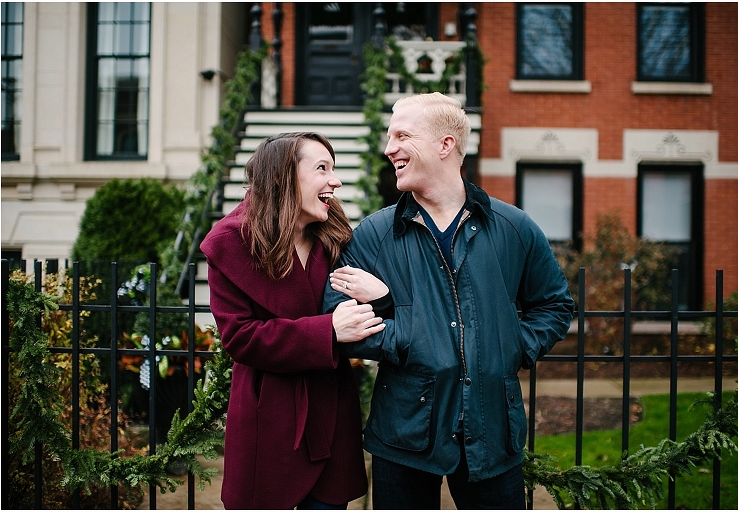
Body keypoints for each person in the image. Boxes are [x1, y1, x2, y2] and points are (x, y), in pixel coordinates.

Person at [324, 93, 575, 509]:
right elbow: (337, 314)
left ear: (446, 145)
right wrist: (405, 338)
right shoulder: (375, 235)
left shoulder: (514, 227)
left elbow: (554, 306)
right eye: (390, 137)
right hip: (404, 433)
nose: (389, 148)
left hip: (493, 433)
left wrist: (512, 347)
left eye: (403, 135)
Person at [200, 132, 389, 509]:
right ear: (280, 177)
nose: (334, 180)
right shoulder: (230, 241)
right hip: (268, 418)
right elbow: (239, 337)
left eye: (333, 168)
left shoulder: (338, 238)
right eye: (322, 168)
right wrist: (327, 331)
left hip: (330, 410)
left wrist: (381, 300)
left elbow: (367, 315)